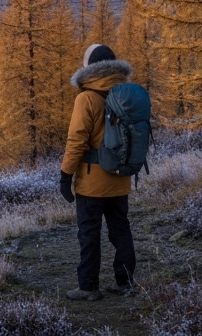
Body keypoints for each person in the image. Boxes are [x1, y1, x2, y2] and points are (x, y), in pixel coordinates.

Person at [59, 43, 137, 301]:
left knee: (89, 234)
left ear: (89, 68)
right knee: (121, 230)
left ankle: (89, 287)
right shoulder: (126, 94)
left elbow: (77, 140)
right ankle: (126, 282)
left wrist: (66, 174)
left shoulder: (86, 98)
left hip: (92, 182)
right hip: (121, 177)